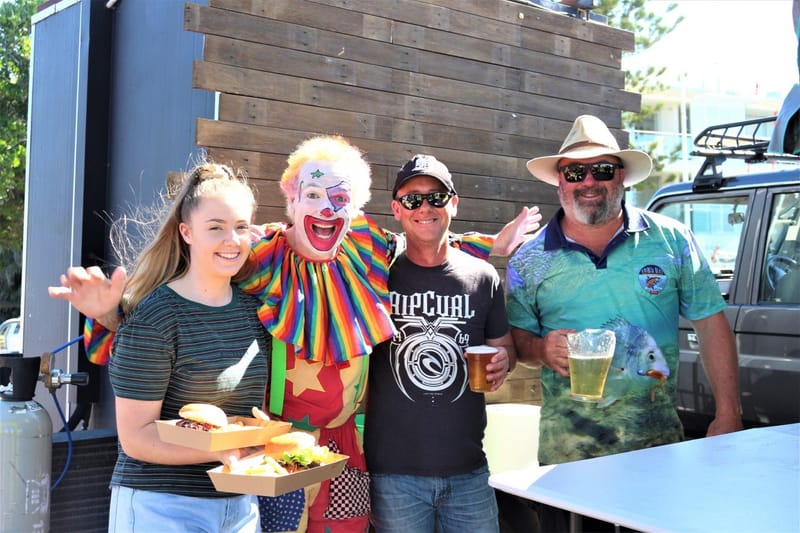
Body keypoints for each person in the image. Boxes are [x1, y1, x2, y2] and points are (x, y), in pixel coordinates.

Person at [49, 136, 541, 533]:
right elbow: (181, 303)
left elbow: (427, 235)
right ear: (290, 201)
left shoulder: (369, 246)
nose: (328, 209)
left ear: (360, 208)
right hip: (270, 455)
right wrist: (113, 315)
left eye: (341, 198)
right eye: (314, 195)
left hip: (344, 452)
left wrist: (490, 244)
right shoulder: (255, 251)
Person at [505, 115, 743, 531]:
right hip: (568, 457)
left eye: (603, 170)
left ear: (623, 178)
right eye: (575, 172)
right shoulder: (528, 259)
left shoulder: (672, 239)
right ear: (560, 182)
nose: (589, 181)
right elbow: (519, 341)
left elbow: (710, 324)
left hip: (657, 450)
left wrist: (728, 412)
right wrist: (542, 350)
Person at [102, 162, 269, 532]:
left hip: (239, 506)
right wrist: (224, 452)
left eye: (241, 227)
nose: (232, 240)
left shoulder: (256, 311)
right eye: (216, 228)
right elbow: (136, 438)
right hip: (161, 507)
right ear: (186, 232)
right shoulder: (156, 316)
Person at [365, 154, 517, 533]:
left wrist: (503, 361)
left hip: (469, 470)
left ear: (454, 202)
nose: (425, 207)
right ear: (397, 209)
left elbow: (506, 348)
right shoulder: (374, 274)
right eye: (413, 200)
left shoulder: (483, 276)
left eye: (436, 196)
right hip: (393, 474)